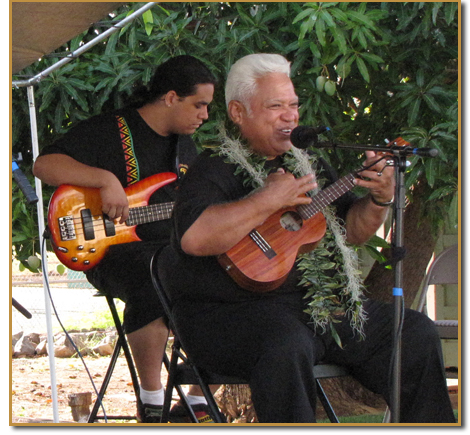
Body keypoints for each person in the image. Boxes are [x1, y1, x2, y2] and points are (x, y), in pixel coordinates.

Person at [157, 53, 456, 423]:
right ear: (238, 112)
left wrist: (379, 199)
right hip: (223, 317)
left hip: (311, 310)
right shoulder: (212, 169)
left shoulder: (307, 163)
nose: (290, 116)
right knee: (286, 343)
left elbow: (351, 230)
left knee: (410, 329)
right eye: (275, 106)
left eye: (294, 105)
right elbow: (195, 238)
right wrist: (266, 200)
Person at [33, 55, 219, 423]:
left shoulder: (186, 150)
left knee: (228, 274)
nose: (205, 115)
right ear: (170, 98)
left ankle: (197, 397)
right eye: (199, 104)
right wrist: (104, 180)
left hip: (171, 251)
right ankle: (152, 400)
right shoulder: (108, 130)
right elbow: (44, 165)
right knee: (155, 273)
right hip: (109, 251)